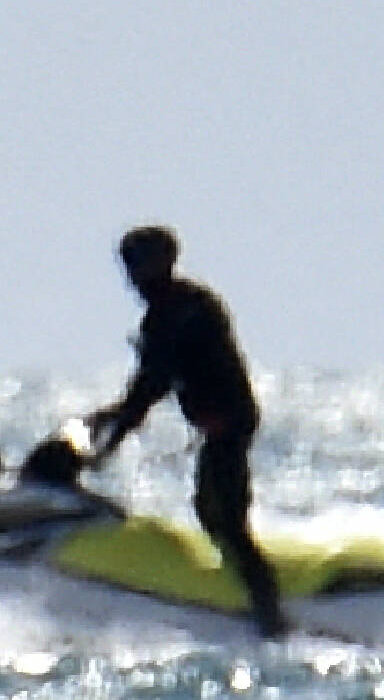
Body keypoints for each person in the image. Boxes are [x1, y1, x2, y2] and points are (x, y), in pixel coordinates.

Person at [82, 224, 284, 638]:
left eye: (137, 266)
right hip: (219, 424)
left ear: (160, 264)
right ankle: (236, 594)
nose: (131, 278)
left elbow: (152, 386)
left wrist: (111, 441)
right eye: (128, 267)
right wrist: (110, 419)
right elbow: (146, 387)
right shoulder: (169, 311)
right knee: (207, 509)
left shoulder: (183, 311)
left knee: (226, 518)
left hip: (229, 422)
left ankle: (271, 619)